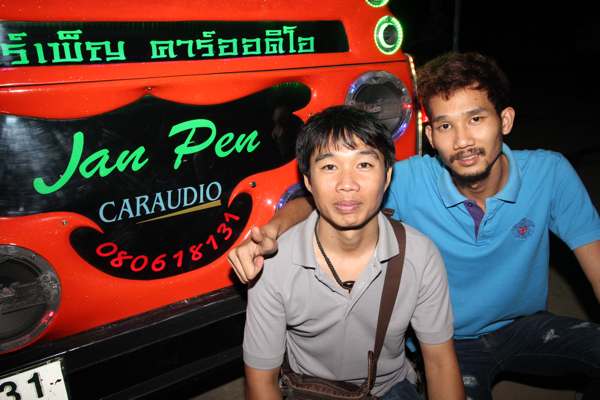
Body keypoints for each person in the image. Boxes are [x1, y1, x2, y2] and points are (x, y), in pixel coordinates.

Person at [230, 52, 600, 399]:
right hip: (451, 340)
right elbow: (326, 198)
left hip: (524, 324)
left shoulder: (550, 173)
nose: (463, 140)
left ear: (504, 120)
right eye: (445, 125)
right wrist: (272, 231)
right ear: (431, 135)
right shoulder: (406, 179)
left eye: (475, 119)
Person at [243, 105, 464, 400]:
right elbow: (261, 381)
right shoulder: (273, 265)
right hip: (309, 389)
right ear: (308, 181)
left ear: (387, 177)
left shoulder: (419, 255)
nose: (347, 185)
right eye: (329, 167)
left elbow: (439, 362)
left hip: (388, 388)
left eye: (364, 164)